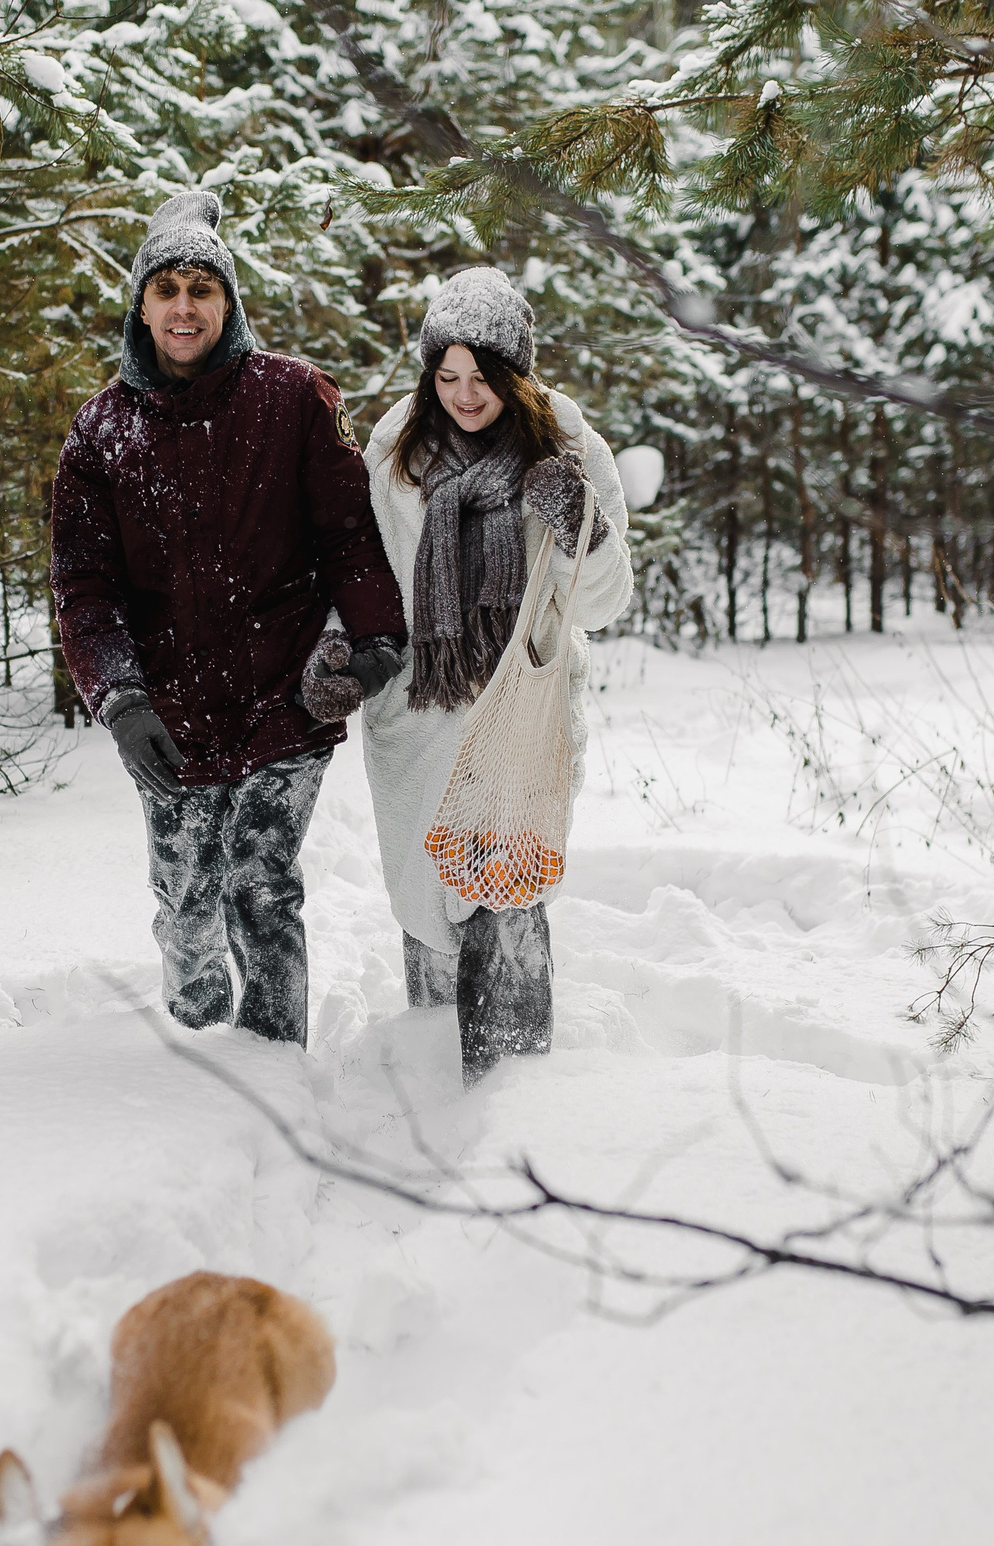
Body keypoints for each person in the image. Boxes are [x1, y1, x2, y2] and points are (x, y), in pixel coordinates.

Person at [50, 191, 407, 1047]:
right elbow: (84, 587)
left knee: (260, 883)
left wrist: (375, 637)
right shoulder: (99, 432)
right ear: (141, 304)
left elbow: (349, 536)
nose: (183, 307)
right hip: (166, 710)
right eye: (165, 288)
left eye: (201, 289)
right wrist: (122, 700)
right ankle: (202, 1068)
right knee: (185, 904)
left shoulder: (293, 399)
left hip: (285, 696)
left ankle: (276, 1065)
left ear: (228, 302)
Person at [359, 267, 634, 1080]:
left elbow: (605, 601)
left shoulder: (570, 450)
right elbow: (364, 580)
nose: (464, 396)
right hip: (420, 716)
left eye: (482, 378)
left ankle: (510, 1095)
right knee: (429, 905)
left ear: (516, 374)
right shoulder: (395, 453)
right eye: (446, 377)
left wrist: (579, 526)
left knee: (506, 899)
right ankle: (428, 1088)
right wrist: (345, 655)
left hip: (519, 711)